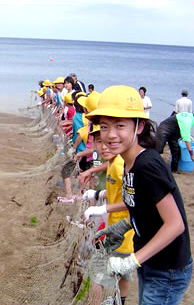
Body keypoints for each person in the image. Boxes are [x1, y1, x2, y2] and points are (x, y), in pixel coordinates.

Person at [85, 85, 192, 305]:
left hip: (167, 267)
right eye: (104, 127)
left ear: (139, 126)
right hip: (149, 260)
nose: (111, 135)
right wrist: (123, 226)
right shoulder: (127, 161)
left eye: (120, 126)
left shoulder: (147, 165)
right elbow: (140, 204)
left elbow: (175, 225)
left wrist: (131, 261)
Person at [83, 126, 133, 305]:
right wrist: (98, 195)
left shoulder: (120, 166)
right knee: (124, 272)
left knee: (98, 277)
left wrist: (101, 209)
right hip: (115, 229)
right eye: (98, 142)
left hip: (122, 232)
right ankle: (121, 301)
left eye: (107, 142)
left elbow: (133, 202)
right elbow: (116, 192)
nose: (103, 147)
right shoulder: (113, 163)